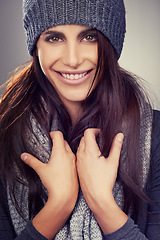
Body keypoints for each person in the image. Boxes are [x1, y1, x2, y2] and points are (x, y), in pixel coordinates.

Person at [0, 0, 160, 239]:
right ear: (36, 45)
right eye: (54, 38)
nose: (72, 60)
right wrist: (59, 205)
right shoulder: (5, 133)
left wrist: (102, 202)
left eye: (89, 37)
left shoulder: (154, 133)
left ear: (111, 43)